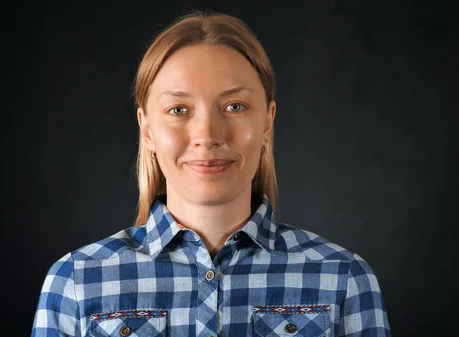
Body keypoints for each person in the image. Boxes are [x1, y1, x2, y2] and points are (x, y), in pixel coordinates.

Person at [31, 10, 391, 337]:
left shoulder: (343, 279)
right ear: (147, 128)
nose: (207, 135)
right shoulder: (76, 282)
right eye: (178, 109)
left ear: (267, 120)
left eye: (234, 106)